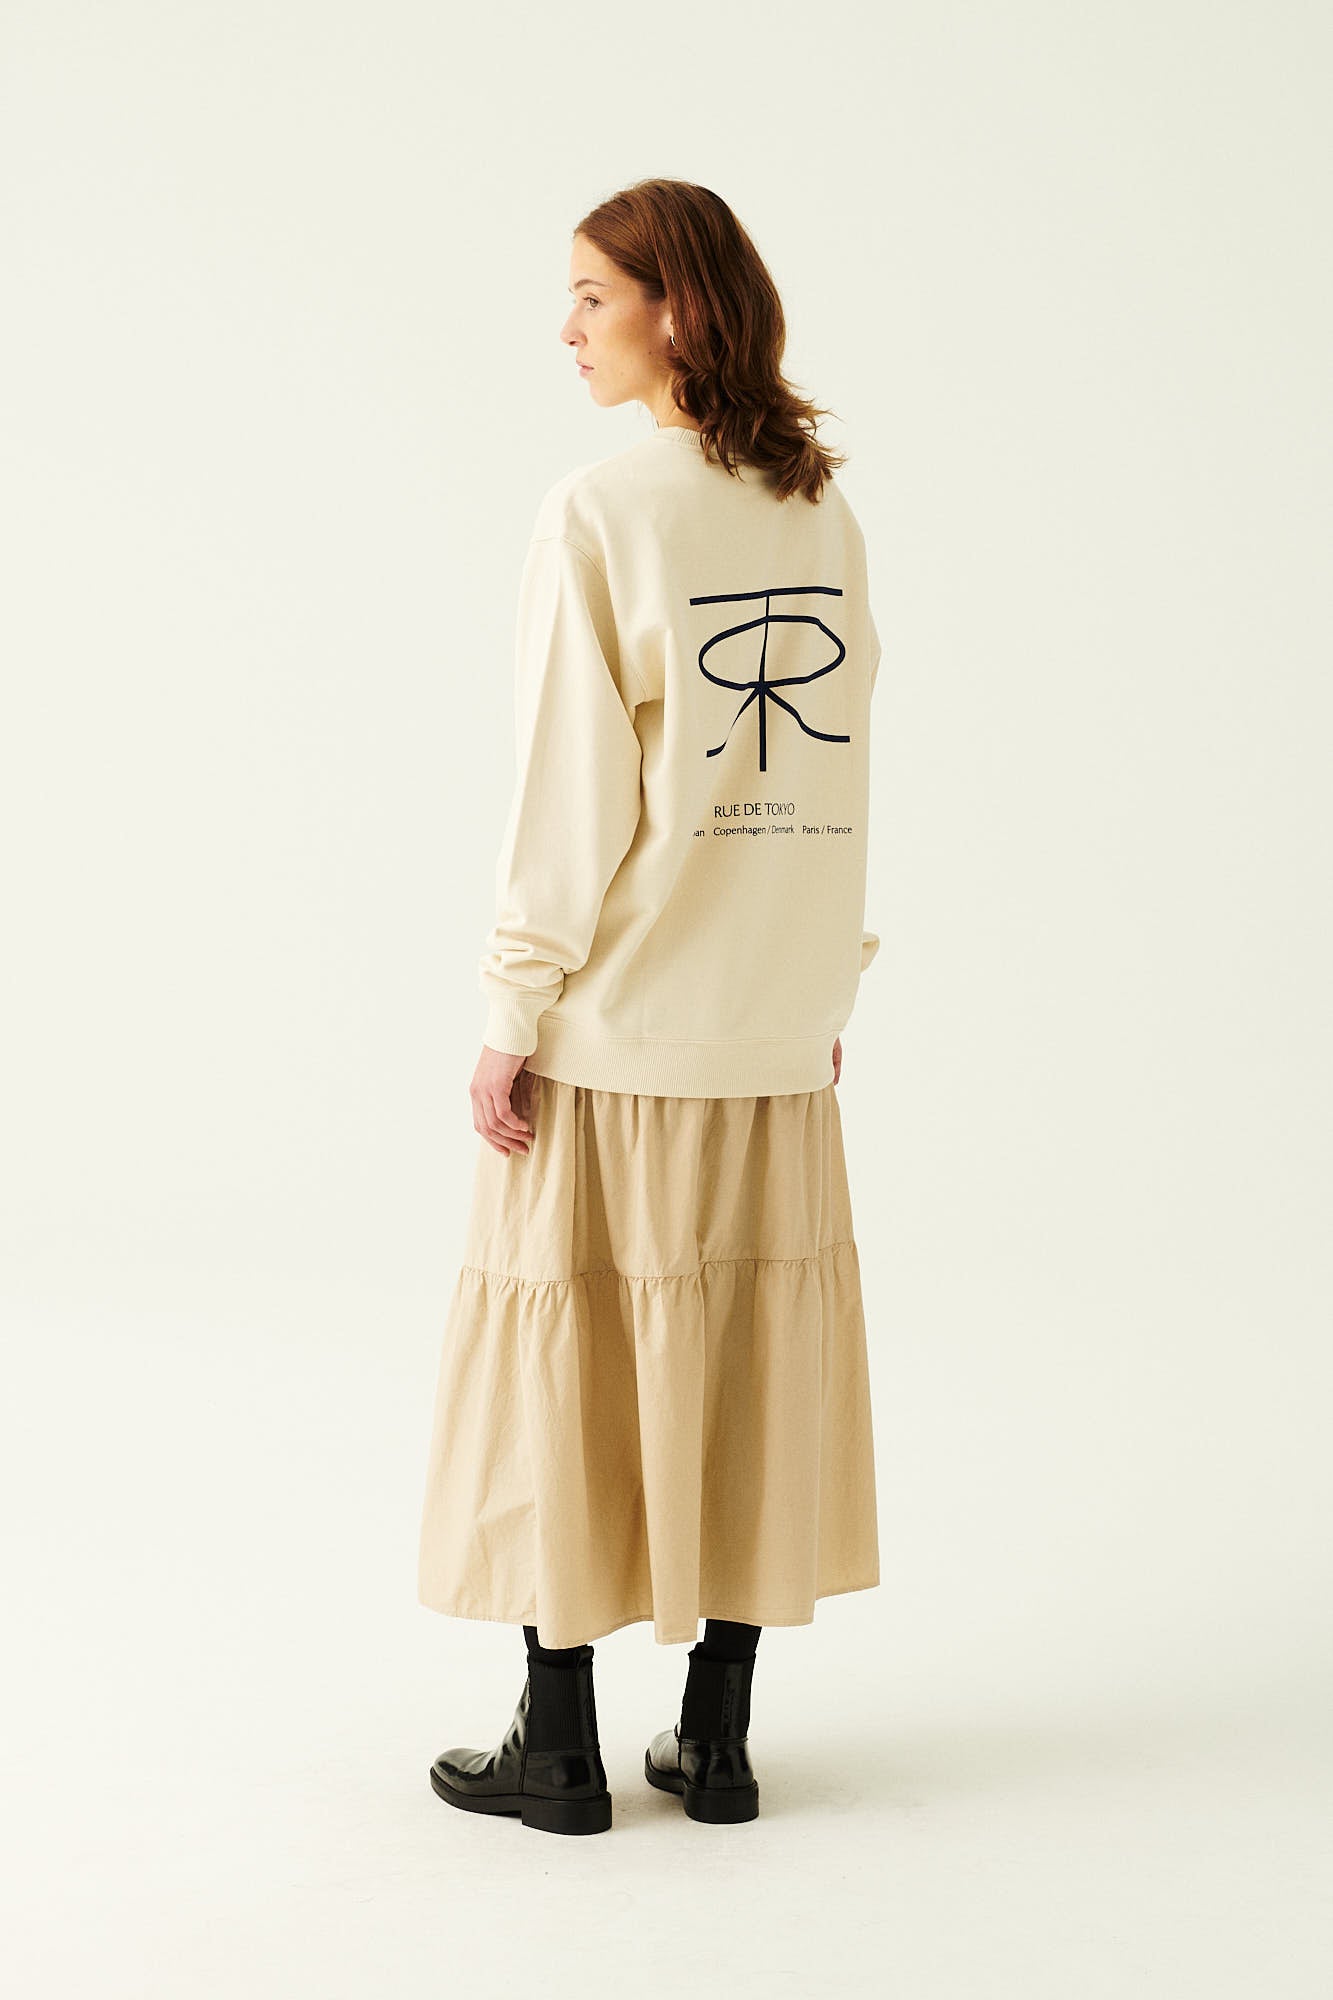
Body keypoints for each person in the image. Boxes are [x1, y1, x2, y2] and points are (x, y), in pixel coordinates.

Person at [417, 178, 882, 1837]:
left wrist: (510, 1008)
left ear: (676, 310)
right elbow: (832, 783)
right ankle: (719, 1741)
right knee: (745, 1367)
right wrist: (814, 983)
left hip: (619, 1034)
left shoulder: (601, 511)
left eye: (589, 296)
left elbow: (571, 794)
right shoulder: (817, 513)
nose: (564, 329)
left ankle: (555, 1747)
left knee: (573, 1369)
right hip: (769, 1038)